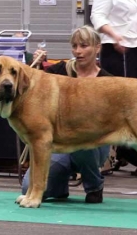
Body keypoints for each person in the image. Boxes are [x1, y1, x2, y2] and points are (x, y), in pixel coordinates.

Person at [23, 26, 111, 203]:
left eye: (84, 46)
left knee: (81, 138)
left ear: (97, 47)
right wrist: (39, 66)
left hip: (93, 144)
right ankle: (60, 187)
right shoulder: (60, 70)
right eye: (75, 46)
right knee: (27, 187)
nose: (78, 51)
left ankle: (94, 186)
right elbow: (35, 87)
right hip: (59, 144)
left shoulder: (107, 80)